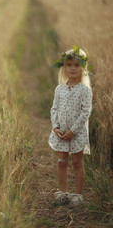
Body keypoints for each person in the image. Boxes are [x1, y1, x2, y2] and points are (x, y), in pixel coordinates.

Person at [48, 45, 92, 206]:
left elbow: (85, 112)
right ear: (64, 67)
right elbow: (54, 109)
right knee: (62, 162)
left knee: (76, 163)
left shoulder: (85, 90)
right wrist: (55, 127)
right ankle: (63, 193)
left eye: (76, 65)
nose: (72, 68)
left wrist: (73, 131)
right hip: (61, 132)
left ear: (83, 68)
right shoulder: (59, 89)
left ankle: (78, 195)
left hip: (77, 133)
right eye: (69, 65)